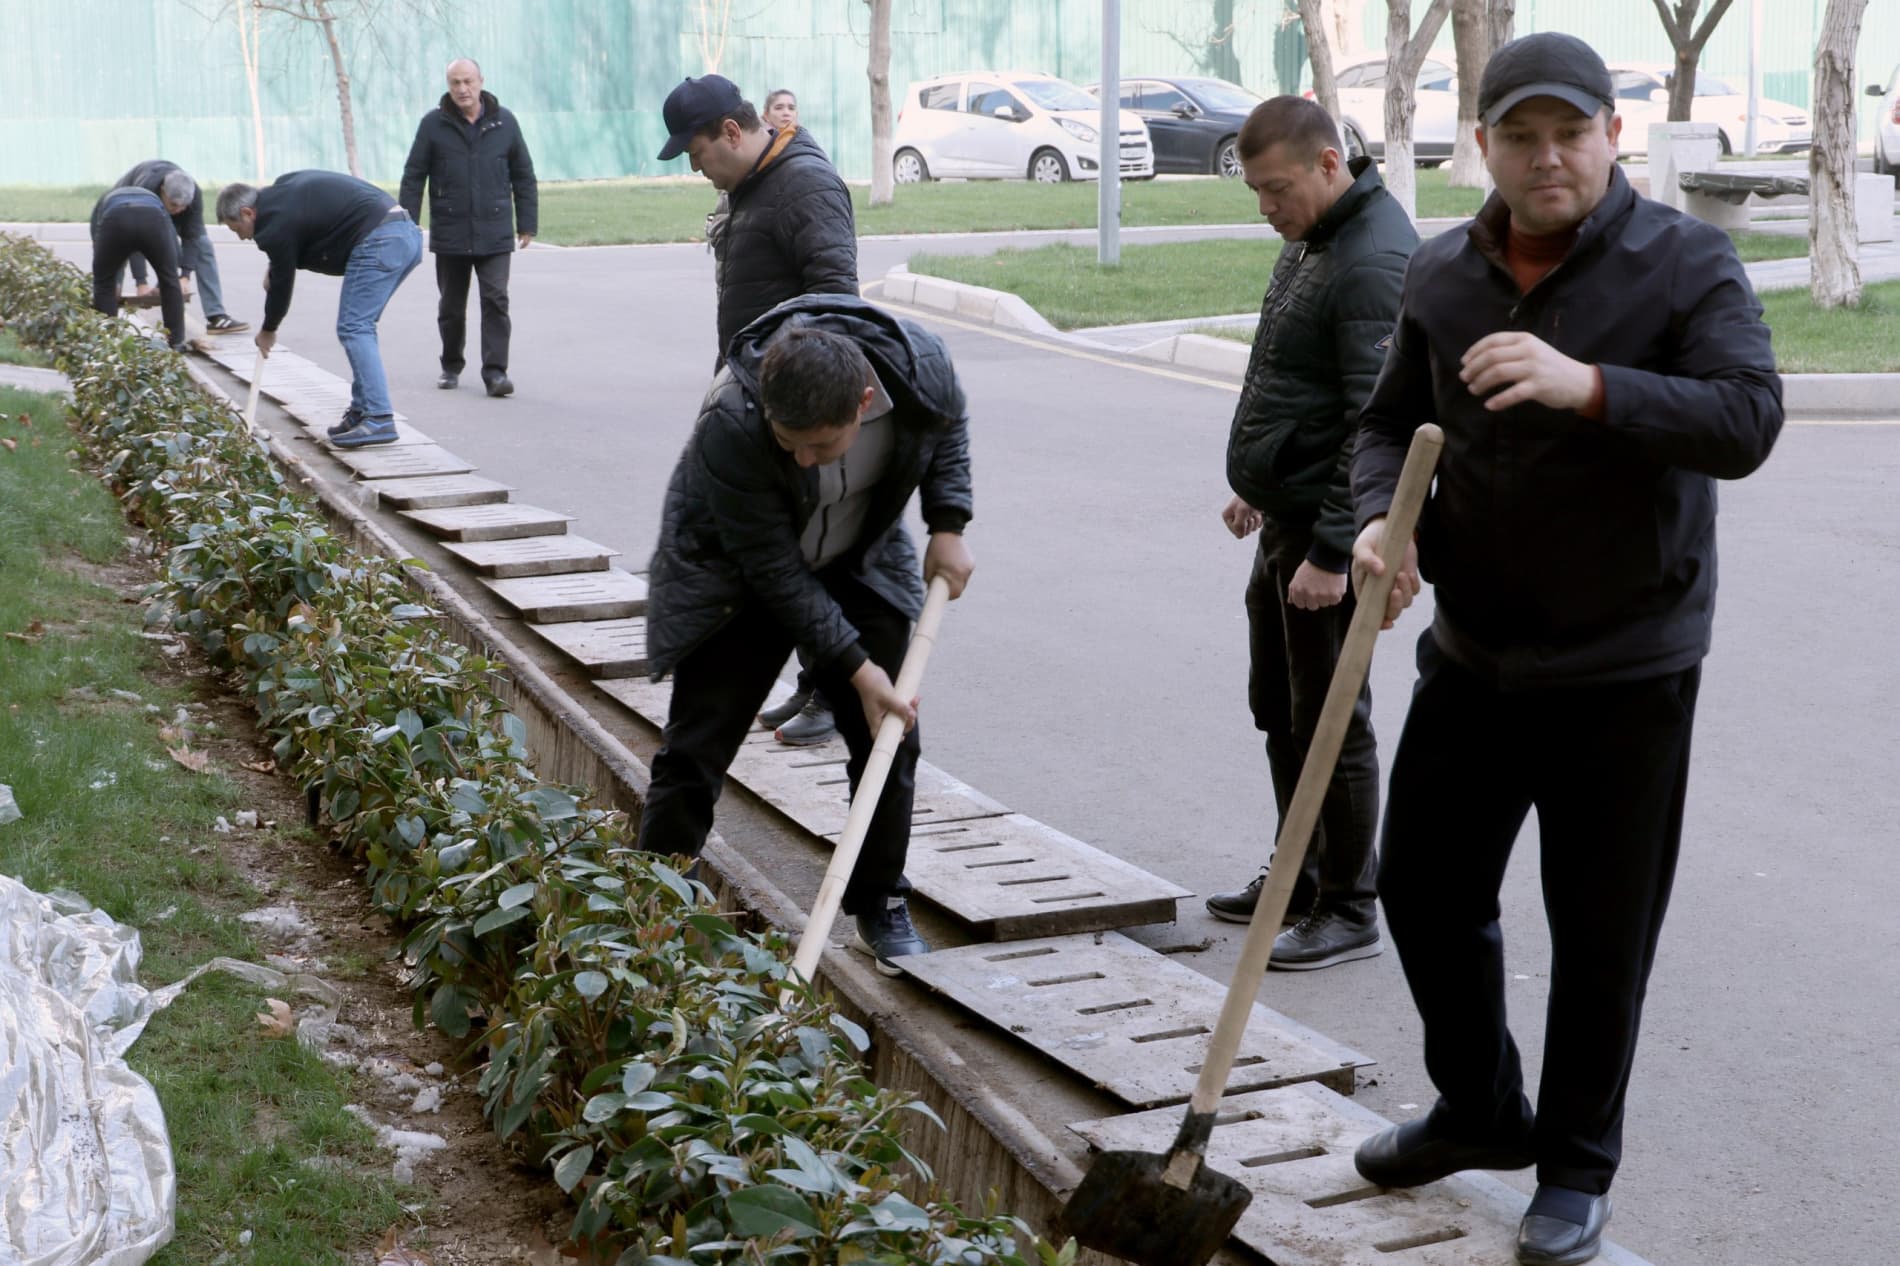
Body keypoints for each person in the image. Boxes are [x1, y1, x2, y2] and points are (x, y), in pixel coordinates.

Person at [1345, 32, 1782, 1266]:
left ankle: (1577, 1168)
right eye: (1520, 136)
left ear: (1610, 135)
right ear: (1479, 144)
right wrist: (1383, 520)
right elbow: (1389, 424)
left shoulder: (1686, 263)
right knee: (1424, 892)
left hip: (1625, 666)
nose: (1548, 157)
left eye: (1570, 132)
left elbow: (1748, 419)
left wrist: (1589, 385)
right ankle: (1480, 1109)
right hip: (1474, 655)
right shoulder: (1441, 275)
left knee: (1598, 930)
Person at [636, 293, 974, 975]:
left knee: (890, 737)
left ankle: (879, 901)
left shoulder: (921, 369)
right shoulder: (733, 423)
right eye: (790, 445)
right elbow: (775, 573)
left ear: (864, 401)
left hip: (861, 557)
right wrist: (857, 667)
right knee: (696, 744)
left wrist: (948, 522)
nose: (806, 462)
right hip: (738, 578)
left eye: (822, 444)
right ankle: (657, 898)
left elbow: (948, 426)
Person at [1204, 96, 1417, 972]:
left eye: (1277, 188)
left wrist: (1333, 550)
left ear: (1331, 164)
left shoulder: (1373, 259)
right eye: (1255, 191)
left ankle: (1347, 902)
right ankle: (1298, 872)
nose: (1266, 208)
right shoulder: (1318, 237)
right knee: (1281, 708)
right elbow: (1295, 380)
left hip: (1329, 541)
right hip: (1288, 520)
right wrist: (1258, 486)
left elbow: (1374, 422)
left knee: (1333, 715)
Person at [663, 73, 858, 745]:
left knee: (812, 554)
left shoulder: (805, 186)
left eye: (697, 156)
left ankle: (835, 692)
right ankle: (815, 683)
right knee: (783, 551)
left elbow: (836, 302)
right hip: (759, 403)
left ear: (731, 132)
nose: (698, 170)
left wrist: (793, 404)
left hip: (794, 407)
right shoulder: (751, 185)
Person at [216, 171, 425, 450]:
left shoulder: (272, 226)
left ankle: (378, 417)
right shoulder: (281, 192)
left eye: (236, 229)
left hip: (380, 239)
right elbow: (300, 227)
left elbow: (281, 286)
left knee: (354, 327)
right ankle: (363, 410)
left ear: (247, 213)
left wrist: (268, 330)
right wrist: (277, 263)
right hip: (405, 233)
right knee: (361, 326)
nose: (242, 238)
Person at [399, 57, 538, 398]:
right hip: (450, 231)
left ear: (481, 81)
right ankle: (450, 364)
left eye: (468, 82)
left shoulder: (505, 123)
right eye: (455, 83)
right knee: (451, 305)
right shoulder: (434, 124)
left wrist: (528, 223)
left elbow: (523, 175)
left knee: (496, 300)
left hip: (494, 229)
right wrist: (406, 222)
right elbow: (414, 176)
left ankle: (495, 373)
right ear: (448, 86)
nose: (462, 89)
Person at [113, 159, 248, 334]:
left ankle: (216, 316)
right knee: (119, 245)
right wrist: (141, 283)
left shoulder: (193, 195)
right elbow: (134, 238)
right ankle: (109, 309)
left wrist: (184, 276)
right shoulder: (144, 190)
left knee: (203, 245)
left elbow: (193, 236)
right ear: (162, 192)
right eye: (174, 205)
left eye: (184, 206)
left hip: (159, 207)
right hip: (124, 205)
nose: (179, 210)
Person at [88, 185, 187, 352]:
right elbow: (174, 250)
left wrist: (115, 281)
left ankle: (107, 343)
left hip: (115, 219)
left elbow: (99, 246)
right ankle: (176, 342)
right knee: (170, 281)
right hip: (153, 219)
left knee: (103, 284)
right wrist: (177, 274)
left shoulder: (104, 201)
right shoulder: (156, 201)